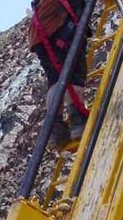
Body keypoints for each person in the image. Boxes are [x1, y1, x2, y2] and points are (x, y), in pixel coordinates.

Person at [29, 0, 89, 148]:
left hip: (40, 31)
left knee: (56, 80)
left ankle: (56, 130)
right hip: (59, 24)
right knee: (73, 74)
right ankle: (78, 122)